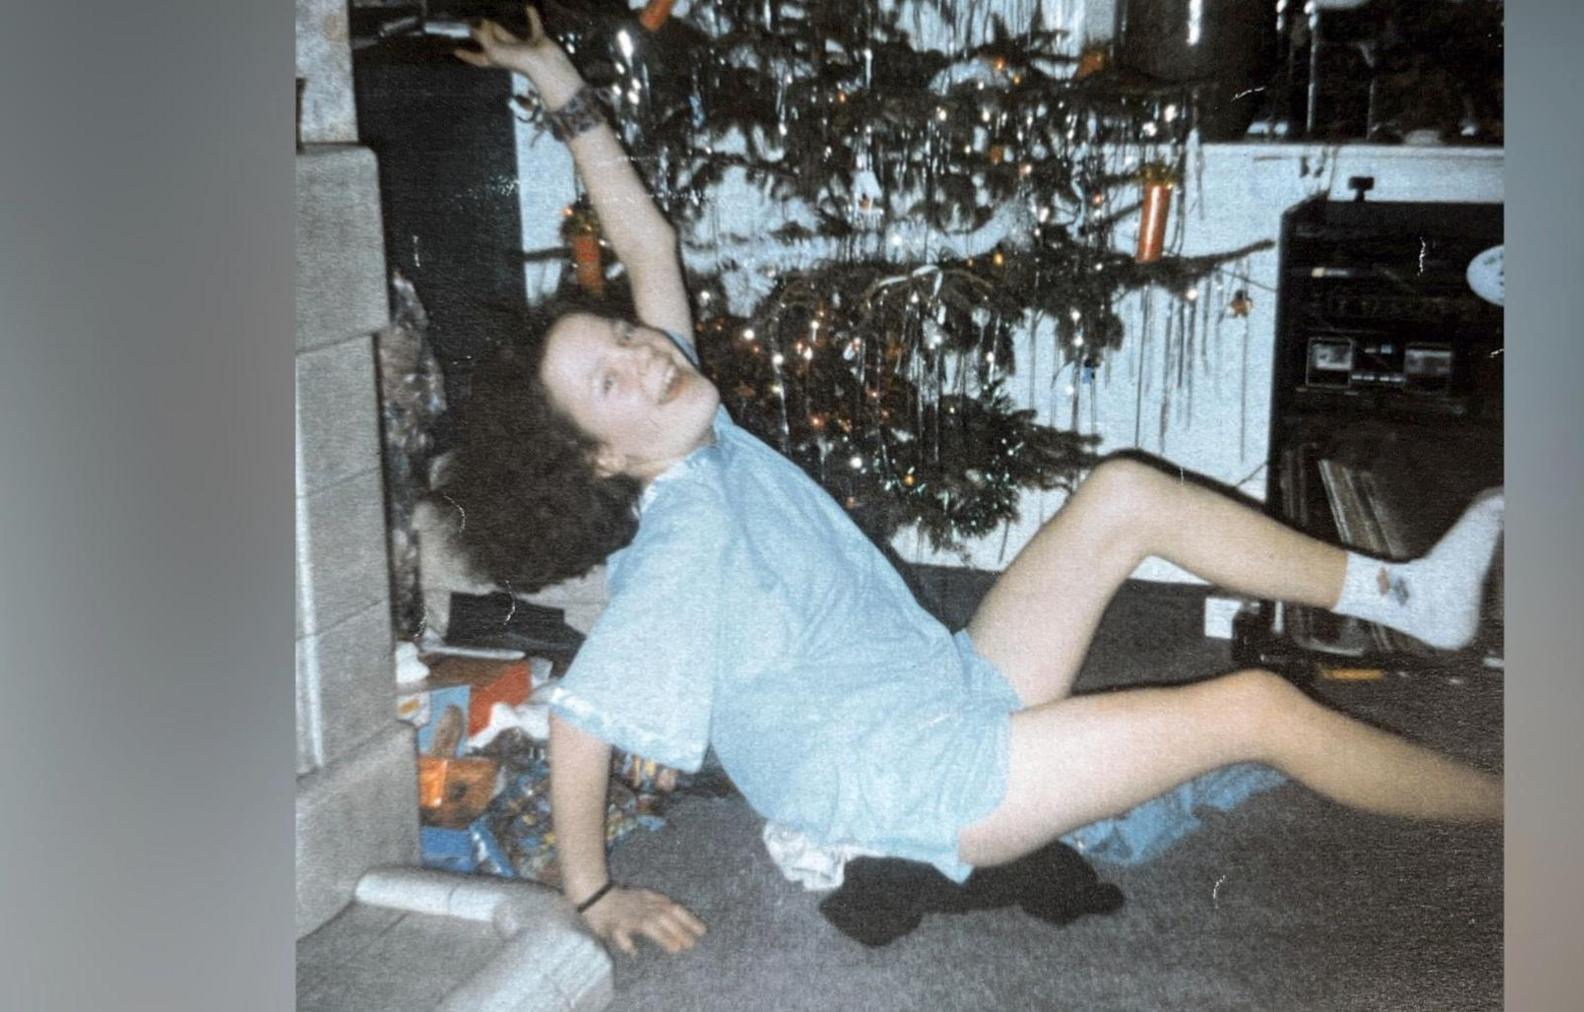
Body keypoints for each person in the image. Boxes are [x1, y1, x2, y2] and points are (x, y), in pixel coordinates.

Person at [448, 9, 1503, 960]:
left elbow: (646, 241)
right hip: (913, 779)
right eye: (610, 377)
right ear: (600, 454)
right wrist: (590, 894)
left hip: (936, 689)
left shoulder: (684, 428)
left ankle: (1408, 599)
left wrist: (554, 78)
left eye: (629, 335)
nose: (645, 354)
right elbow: (583, 716)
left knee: (1125, 494)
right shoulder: (680, 529)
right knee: (1257, 705)